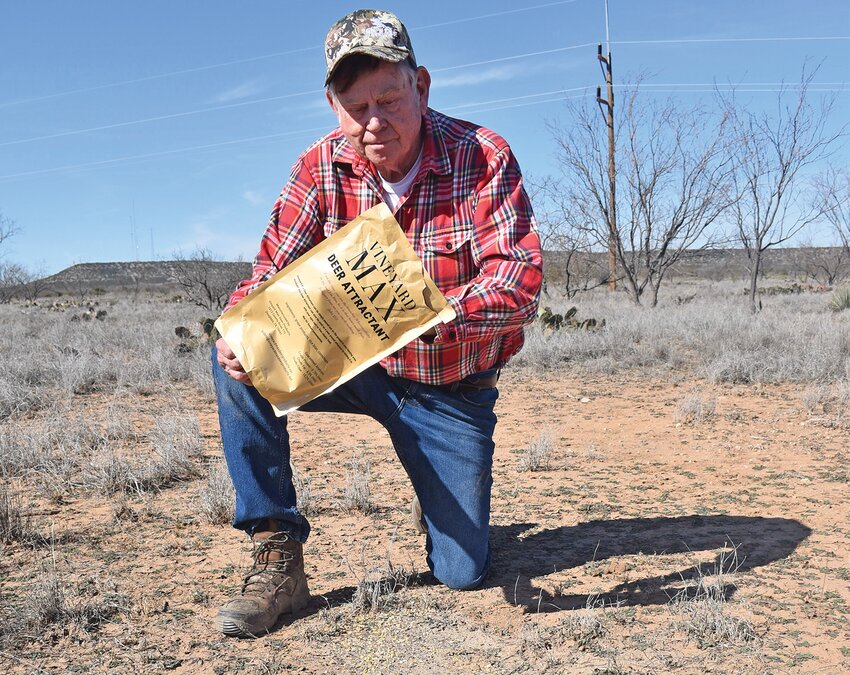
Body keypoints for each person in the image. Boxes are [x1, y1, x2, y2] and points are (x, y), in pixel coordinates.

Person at [212, 8, 542, 637]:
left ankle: (440, 502)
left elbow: (520, 282)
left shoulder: (484, 155)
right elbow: (268, 268)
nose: (373, 122)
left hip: (449, 386)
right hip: (358, 369)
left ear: (422, 85)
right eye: (354, 105)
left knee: (464, 572)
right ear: (332, 105)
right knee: (238, 349)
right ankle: (277, 548)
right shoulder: (319, 165)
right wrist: (239, 323)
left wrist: (441, 316)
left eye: (389, 98)